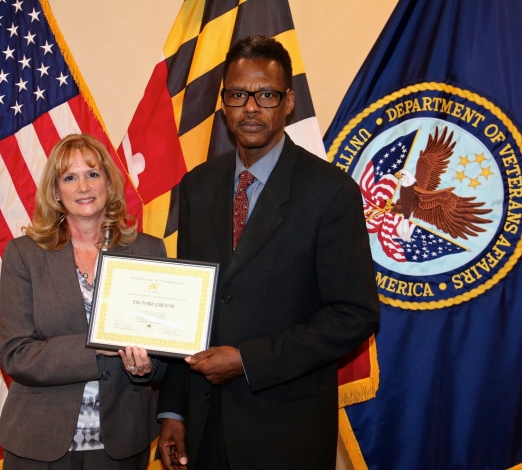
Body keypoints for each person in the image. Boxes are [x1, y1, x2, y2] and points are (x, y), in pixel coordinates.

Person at [156, 35, 380, 469]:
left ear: (289, 102)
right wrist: (173, 411)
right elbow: (187, 311)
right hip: (202, 430)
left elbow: (354, 314)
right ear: (223, 103)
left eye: (267, 95)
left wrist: (248, 361)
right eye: (239, 95)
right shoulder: (198, 187)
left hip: (284, 435)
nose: (252, 108)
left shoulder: (331, 193)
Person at [0, 134, 167, 469]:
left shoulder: (149, 251)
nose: (83, 187)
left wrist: (146, 367)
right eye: (69, 178)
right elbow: (15, 354)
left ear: (108, 181)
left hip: (122, 442)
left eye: (92, 174)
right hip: (39, 441)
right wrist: (97, 346)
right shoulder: (24, 255)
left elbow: (160, 349)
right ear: (56, 192)